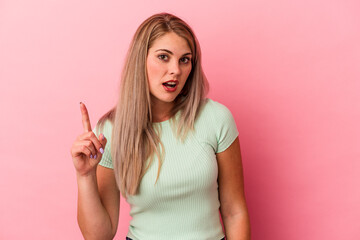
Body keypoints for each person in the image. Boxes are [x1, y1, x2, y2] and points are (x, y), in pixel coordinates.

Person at [70, 12, 251, 240]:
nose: (175, 69)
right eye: (164, 57)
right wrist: (85, 176)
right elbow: (99, 236)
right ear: (141, 60)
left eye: (185, 59)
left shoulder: (216, 118)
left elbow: (235, 212)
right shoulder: (111, 130)